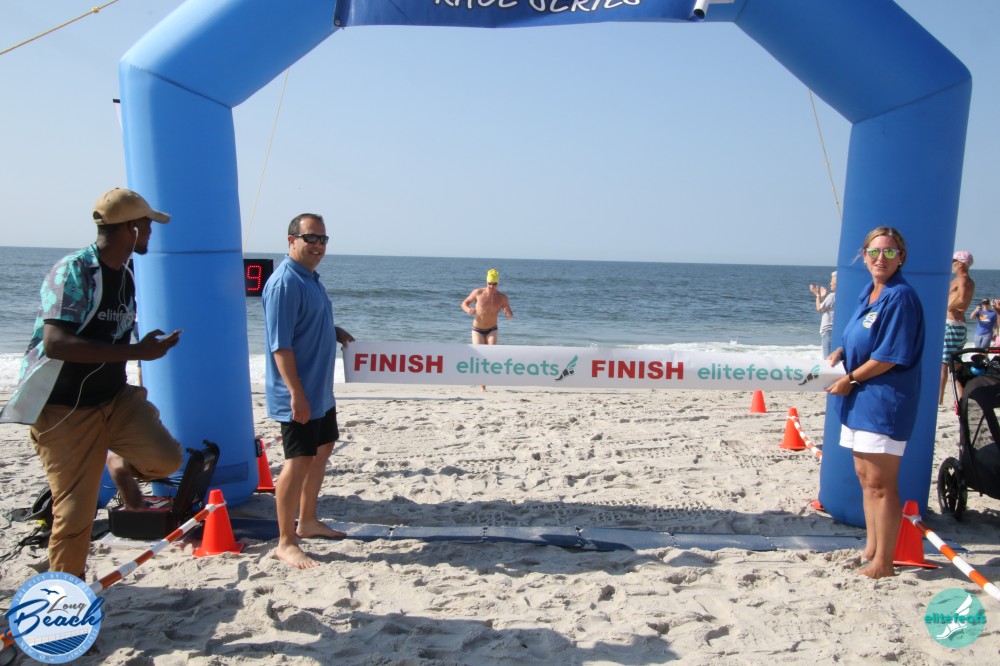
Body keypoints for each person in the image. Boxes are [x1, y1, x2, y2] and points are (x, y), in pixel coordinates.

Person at [0, 187, 184, 577]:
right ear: (132, 228)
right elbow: (56, 343)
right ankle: (68, 596)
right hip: (63, 410)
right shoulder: (75, 270)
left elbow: (111, 338)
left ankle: (118, 460)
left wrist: (143, 349)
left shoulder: (126, 274)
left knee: (166, 458)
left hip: (114, 398)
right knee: (74, 513)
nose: (152, 231)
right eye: (148, 224)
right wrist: (138, 351)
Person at [826, 227, 925, 579]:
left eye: (889, 252)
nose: (880, 259)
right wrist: (843, 350)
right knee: (865, 477)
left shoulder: (901, 297)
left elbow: (889, 356)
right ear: (864, 255)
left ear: (901, 257)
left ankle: (884, 563)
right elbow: (864, 336)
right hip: (859, 400)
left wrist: (851, 379)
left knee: (882, 485)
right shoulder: (869, 291)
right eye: (874, 252)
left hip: (884, 401)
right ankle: (872, 548)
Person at [263, 213, 354, 570]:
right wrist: (296, 394)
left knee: (323, 448)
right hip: (298, 393)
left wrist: (333, 330)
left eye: (323, 239)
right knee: (298, 461)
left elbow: (305, 322)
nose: (318, 245)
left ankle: (309, 521)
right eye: (310, 238)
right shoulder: (284, 283)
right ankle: (286, 542)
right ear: (292, 240)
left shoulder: (311, 279)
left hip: (320, 390)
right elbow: (280, 345)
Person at [461, 269, 514, 391]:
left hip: (492, 329)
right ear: (486, 282)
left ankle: (486, 381)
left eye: (494, 284)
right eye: (489, 283)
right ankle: (482, 385)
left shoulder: (502, 297)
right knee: (480, 356)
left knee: (490, 355)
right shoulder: (478, 293)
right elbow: (464, 303)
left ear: (497, 283)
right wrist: (468, 309)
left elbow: (508, 310)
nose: (491, 286)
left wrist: (508, 313)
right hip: (477, 329)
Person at [939, 250, 975, 404]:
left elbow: (960, 298)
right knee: (957, 365)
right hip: (960, 326)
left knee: (943, 365)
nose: (951, 264)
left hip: (951, 325)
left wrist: (948, 308)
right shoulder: (970, 281)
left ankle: (939, 401)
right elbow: (964, 300)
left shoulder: (961, 279)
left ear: (960, 264)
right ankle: (962, 398)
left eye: (953, 261)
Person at [810, 271, 837, 358]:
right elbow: (830, 308)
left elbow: (820, 309)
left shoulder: (832, 295)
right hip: (833, 331)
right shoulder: (839, 296)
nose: (830, 283)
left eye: (831, 281)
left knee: (827, 358)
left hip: (828, 331)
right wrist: (824, 297)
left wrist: (817, 295)